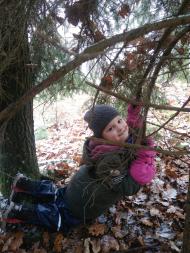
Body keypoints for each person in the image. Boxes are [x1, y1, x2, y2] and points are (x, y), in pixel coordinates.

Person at [2, 103, 156, 233]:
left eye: (120, 121)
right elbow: (126, 187)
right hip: (83, 204)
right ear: (102, 136)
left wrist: (134, 115)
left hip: (76, 187)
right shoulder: (111, 159)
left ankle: (23, 184)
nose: (120, 128)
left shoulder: (104, 146)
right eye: (110, 129)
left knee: (57, 194)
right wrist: (142, 164)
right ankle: (18, 212)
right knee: (59, 217)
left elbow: (134, 134)